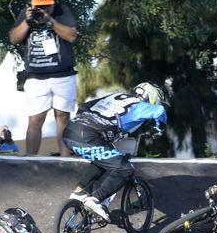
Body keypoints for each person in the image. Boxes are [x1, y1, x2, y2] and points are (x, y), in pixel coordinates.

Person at [63, 82, 168, 220]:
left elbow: (83, 106)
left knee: (105, 160)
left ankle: (78, 193)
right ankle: (95, 200)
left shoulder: (116, 96)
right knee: (125, 169)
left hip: (70, 131)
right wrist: (159, 128)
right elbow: (159, 111)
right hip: (87, 136)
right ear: (152, 97)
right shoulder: (139, 106)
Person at [9, 0, 79, 156]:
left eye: (47, 6)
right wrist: (26, 21)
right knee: (35, 118)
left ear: (53, 3)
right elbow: (13, 39)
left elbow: (71, 36)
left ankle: (65, 160)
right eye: (40, 6)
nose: (43, 9)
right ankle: (31, 161)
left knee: (62, 117)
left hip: (63, 75)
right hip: (36, 77)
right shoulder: (25, 14)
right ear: (32, 5)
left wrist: (50, 20)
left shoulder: (62, 11)